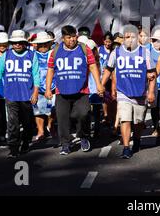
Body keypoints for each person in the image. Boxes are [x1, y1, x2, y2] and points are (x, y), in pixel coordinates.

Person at [45, 25, 104, 155]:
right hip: (62, 91)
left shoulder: (84, 48)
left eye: (73, 37)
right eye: (68, 37)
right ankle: (65, 144)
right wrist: (48, 88)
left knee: (83, 114)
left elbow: (93, 66)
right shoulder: (55, 51)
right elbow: (50, 70)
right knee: (62, 119)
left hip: (81, 91)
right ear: (63, 38)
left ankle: (83, 137)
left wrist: (99, 84)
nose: (72, 40)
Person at [101, 26, 156, 159]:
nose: (129, 40)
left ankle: (136, 139)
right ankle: (126, 147)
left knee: (138, 122)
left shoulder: (144, 52)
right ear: (123, 39)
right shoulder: (116, 52)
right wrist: (101, 85)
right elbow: (108, 70)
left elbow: (152, 74)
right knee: (125, 119)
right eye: (127, 37)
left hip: (140, 93)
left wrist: (151, 92)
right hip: (123, 92)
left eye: (132, 37)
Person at [0, 30, 40, 158]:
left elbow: (36, 75)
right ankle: (13, 148)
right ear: (11, 43)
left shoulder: (31, 55)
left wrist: (35, 92)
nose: (17, 45)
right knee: (12, 122)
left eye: (20, 42)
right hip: (10, 95)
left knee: (27, 122)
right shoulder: (6, 55)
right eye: (15, 42)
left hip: (26, 95)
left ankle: (26, 142)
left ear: (24, 43)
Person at [32, 32, 56, 141]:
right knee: (38, 110)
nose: (43, 47)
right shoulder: (32, 55)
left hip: (53, 85)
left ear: (49, 44)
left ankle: (50, 126)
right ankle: (40, 130)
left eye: (45, 44)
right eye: (40, 44)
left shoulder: (53, 53)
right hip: (37, 86)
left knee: (52, 109)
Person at [98, 32, 115, 127]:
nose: (107, 44)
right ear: (103, 41)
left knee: (110, 96)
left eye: (109, 42)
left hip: (112, 77)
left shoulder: (113, 50)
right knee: (104, 96)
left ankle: (112, 115)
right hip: (102, 76)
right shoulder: (99, 49)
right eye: (106, 41)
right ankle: (105, 114)